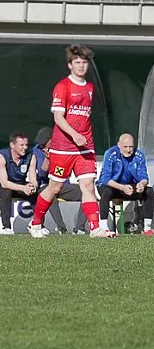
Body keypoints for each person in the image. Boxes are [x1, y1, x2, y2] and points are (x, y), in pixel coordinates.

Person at [29, 45, 111, 238]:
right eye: (77, 63)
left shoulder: (90, 88)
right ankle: (35, 223)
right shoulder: (63, 87)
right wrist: (74, 135)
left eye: (84, 63)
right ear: (70, 65)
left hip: (85, 147)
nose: (81, 66)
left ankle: (95, 228)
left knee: (88, 186)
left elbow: (84, 116)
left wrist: (82, 137)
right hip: (63, 148)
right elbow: (58, 118)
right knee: (54, 187)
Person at [97, 134, 154, 234]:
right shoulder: (110, 154)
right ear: (119, 145)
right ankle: (103, 227)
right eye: (125, 147)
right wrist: (121, 187)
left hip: (129, 187)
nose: (128, 150)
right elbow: (105, 178)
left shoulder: (139, 155)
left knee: (149, 191)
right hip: (112, 186)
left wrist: (142, 184)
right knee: (106, 191)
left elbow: (144, 176)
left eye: (131, 147)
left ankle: (147, 228)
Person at [0, 132, 39, 232]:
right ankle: (6, 227)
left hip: (19, 184)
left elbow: (33, 178)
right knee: (6, 191)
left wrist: (32, 186)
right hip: (4, 185)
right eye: (21, 145)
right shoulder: (2, 156)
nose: (25, 148)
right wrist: (23, 188)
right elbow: (4, 182)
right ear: (12, 145)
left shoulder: (31, 156)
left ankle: (37, 225)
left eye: (26, 145)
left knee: (37, 193)